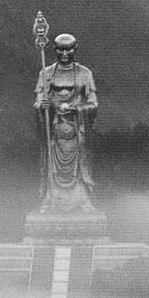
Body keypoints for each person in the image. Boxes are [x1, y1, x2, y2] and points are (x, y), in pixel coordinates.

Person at [33, 33, 97, 214]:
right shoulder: (45, 74)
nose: (65, 54)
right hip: (54, 130)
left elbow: (93, 104)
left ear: (75, 49)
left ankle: (82, 200)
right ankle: (51, 199)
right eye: (60, 50)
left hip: (76, 130)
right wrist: (43, 106)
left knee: (78, 168)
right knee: (53, 167)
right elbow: (38, 102)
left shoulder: (85, 73)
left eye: (69, 49)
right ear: (54, 49)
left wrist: (77, 109)